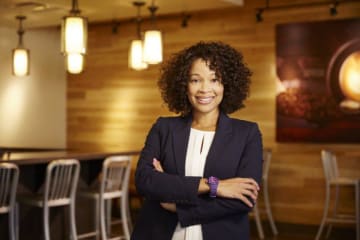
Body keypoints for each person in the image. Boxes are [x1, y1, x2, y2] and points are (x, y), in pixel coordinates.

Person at [131, 41, 263, 240]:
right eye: (195, 80)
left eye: (214, 79)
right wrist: (214, 186)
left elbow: (244, 199)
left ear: (226, 84)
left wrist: (176, 205)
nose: (204, 89)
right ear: (184, 84)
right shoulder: (164, 128)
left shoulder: (247, 133)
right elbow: (146, 181)